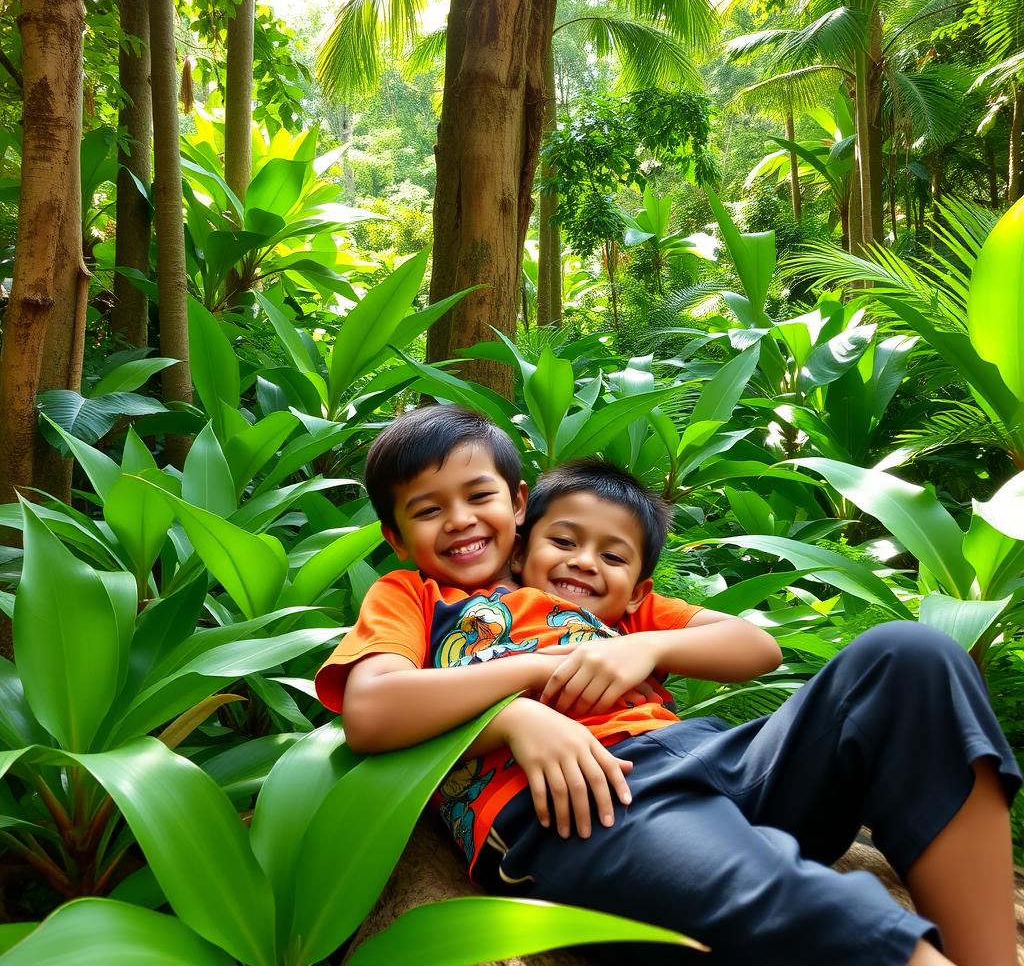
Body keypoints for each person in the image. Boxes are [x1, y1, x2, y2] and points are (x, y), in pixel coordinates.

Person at [315, 406, 1020, 966]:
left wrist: (644, 645)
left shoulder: (593, 595)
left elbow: (757, 647)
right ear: (396, 535)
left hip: (706, 760)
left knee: (910, 655)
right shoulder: (412, 597)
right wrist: (517, 704)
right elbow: (372, 710)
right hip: (585, 806)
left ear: (518, 504)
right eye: (429, 509)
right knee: (775, 890)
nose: (462, 520)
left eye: (478, 496)